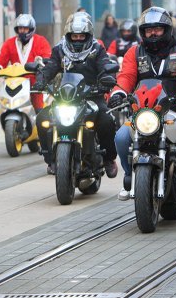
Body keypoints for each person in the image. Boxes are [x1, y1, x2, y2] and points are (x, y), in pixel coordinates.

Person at [110, 7, 176, 200]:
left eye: (157, 29)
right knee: (120, 137)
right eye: (148, 30)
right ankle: (129, 177)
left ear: (167, 29)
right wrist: (118, 92)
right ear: (142, 32)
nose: (152, 33)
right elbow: (126, 75)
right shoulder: (134, 52)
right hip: (143, 112)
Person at [32, 12, 119, 177]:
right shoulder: (59, 49)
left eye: (81, 36)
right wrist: (41, 80)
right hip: (65, 96)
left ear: (88, 35)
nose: (78, 39)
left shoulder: (97, 49)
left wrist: (107, 80)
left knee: (106, 120)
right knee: (42, 118)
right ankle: (50, 157)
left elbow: (105, 66)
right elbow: (50, 67)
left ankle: (108, 159)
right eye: (74, 36)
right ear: (68, 35)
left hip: (92, 95)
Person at [0, 14, 52, 111]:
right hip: (14, 82)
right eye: (20, 28)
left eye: (25, 29)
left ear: (31, 29)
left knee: (39, 111)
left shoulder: (41, 41)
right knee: (6, 108)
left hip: (34, 82)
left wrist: (42, 65)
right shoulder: (9, 43)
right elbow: (2, 59)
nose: (22, 31)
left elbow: (47, 57)